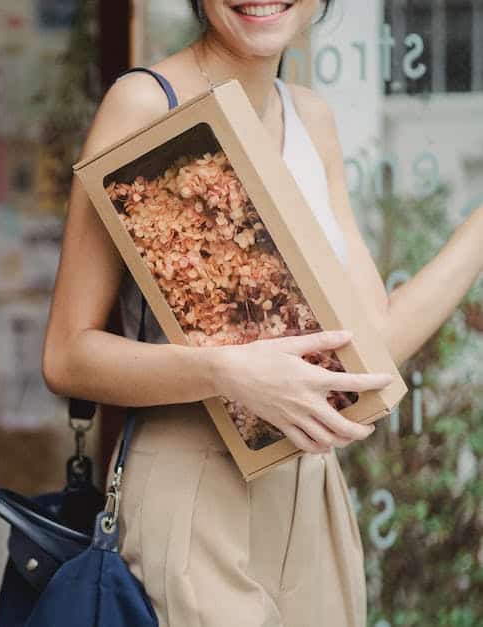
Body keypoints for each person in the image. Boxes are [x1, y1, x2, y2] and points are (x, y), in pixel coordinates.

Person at [41, 1, 483, 625]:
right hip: (191, 483)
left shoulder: (312, 118)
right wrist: (230, 373)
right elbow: (66, 354)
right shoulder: (145, 103)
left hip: (311, 489)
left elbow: (371, 345)